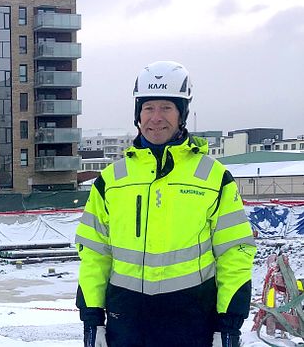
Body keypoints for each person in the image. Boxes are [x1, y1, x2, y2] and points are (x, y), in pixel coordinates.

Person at [75, 61, 256, 347]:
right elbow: (95, 253)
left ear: (181, 114)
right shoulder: (112, 180)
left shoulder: (213, 177)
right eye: (148, 108)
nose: (156, 118)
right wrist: (92, 318)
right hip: (127, 322)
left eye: (166, 108)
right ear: (138, 114)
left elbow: (235, 253)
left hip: (191, 322)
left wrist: (228, 324)